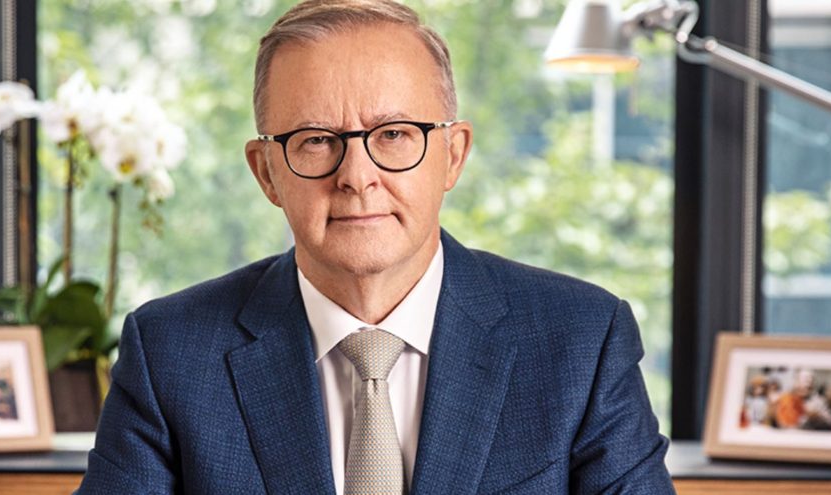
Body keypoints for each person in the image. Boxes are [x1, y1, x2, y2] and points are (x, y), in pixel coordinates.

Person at [79, 1, 672, 493]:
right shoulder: (170, 353)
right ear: (266, 173)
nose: (357, 177)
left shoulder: (581, 341)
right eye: (316, 140)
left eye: (393, 134)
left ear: (453, 156)